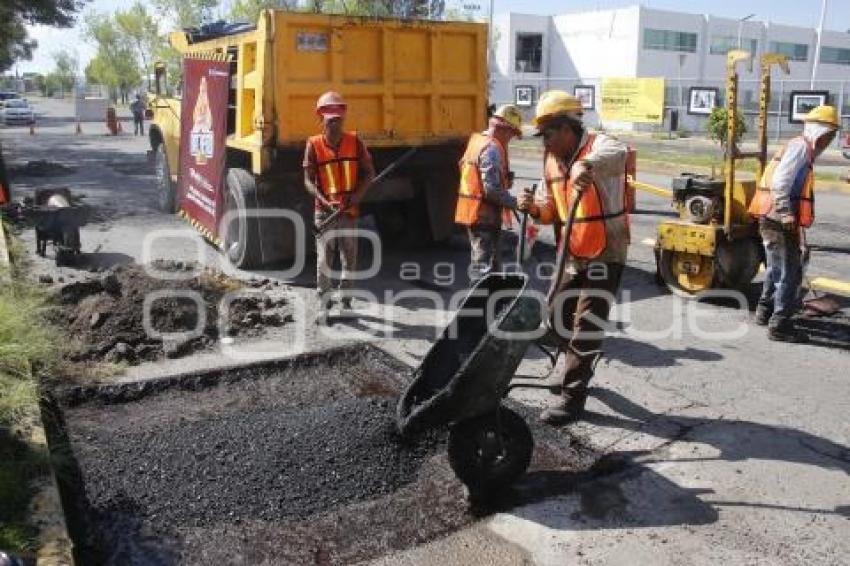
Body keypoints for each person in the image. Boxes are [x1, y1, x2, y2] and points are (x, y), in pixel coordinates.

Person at [517, 90, 630, 425]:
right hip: (572, 249)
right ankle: (567, 369)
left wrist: (587, 165)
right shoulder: (551, 161)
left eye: (549, 135)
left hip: (606, 249)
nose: (545, 143)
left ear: (568, 128)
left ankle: (572, 398)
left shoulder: (599, 146)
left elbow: (620, 152)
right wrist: (533, 208)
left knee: (586, 324)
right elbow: (549, 210)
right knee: (560, 314)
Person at [749, 105, 840, 342]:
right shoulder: (801, 147)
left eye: (831, 137)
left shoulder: (801, 147)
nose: (828, 142)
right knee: (791, 273)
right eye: (827, 136)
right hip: (778, 217)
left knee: (776, 268)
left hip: (771, 216)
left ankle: (765, 311)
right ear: (818, 131)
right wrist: (787, 213)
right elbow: (781, 182)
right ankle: (780, 325)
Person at [303, 91, 375, 320]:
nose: (335, 123)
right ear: (321, 118)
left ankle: (346, 300)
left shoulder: (355, 142)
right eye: (331, 119)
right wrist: (324, 201)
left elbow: (368, 173)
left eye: (339, 119)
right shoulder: (313, 144)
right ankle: (324, 303)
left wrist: (358, 195)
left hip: (348, 212)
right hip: (324, 213)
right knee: (324, 259)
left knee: (349, 258)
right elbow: (307, 179)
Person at [455, 104, 523, 279]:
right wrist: (516, 202)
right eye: (512, 134)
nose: (511, 139)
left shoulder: (477, 142)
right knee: (483, 268)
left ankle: (489, 301)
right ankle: (479, 303)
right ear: (503, 130)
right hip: (483, 215)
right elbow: (491, 190)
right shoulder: (491, 149)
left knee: (488, 267)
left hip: (475, 212)